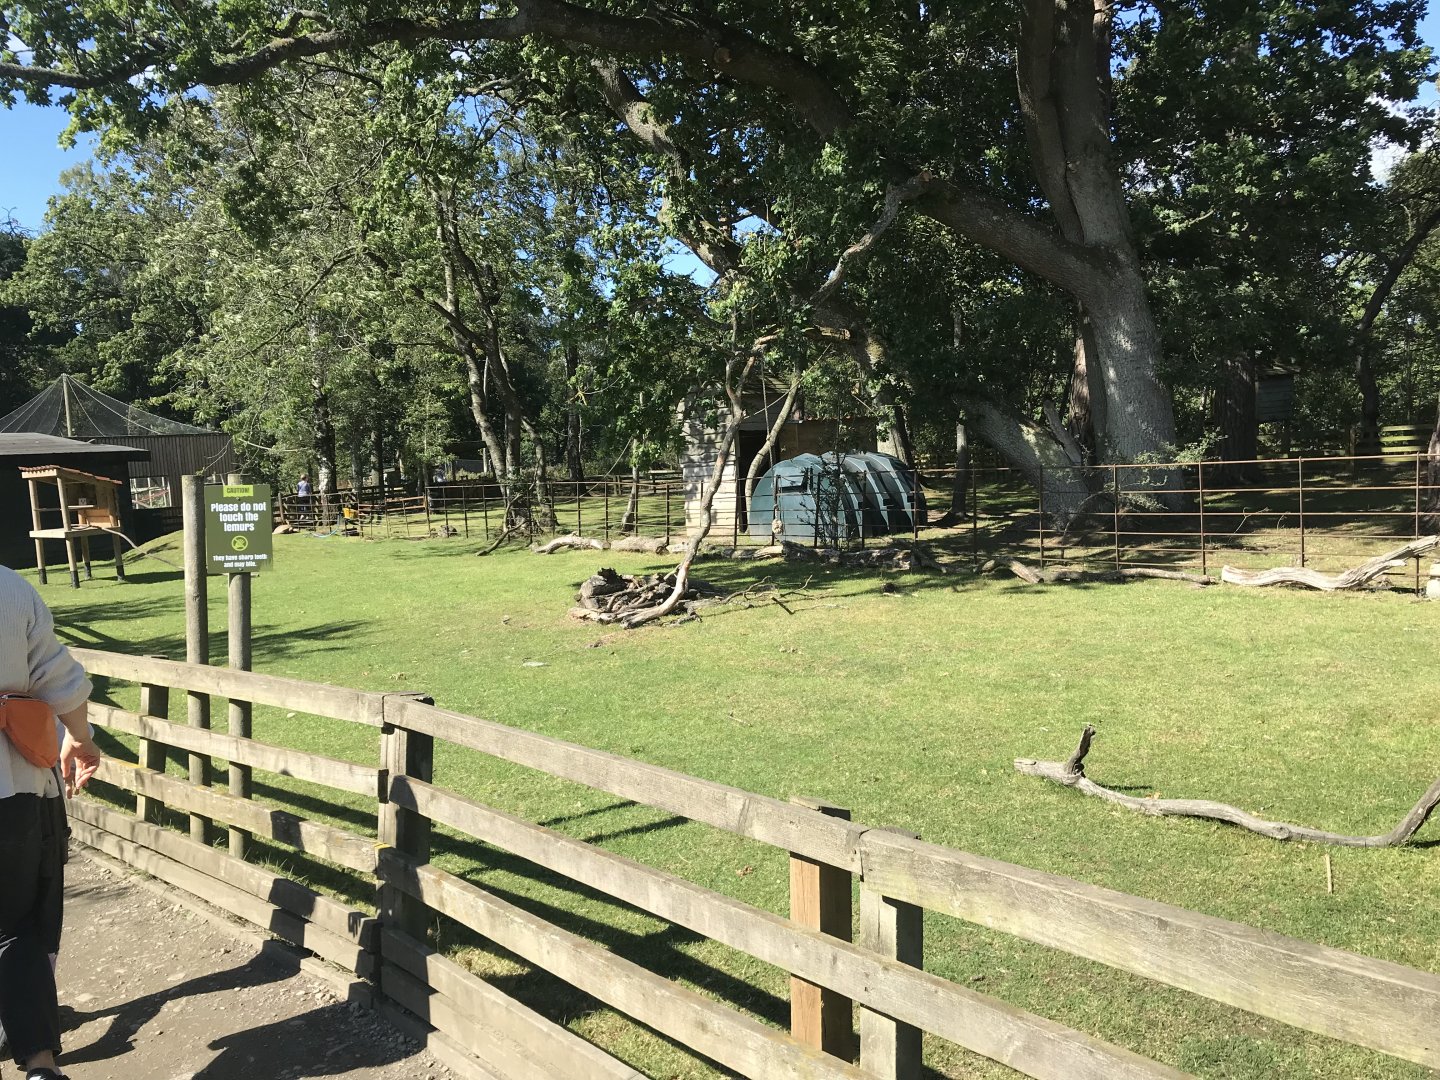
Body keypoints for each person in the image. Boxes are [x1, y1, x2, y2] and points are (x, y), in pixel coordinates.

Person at [1, 564, 102, 1080]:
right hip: (10, 791)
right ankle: (41, 1065)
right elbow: (57, 676)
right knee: (15, 925)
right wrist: (80, 736)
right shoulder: (9, 588)